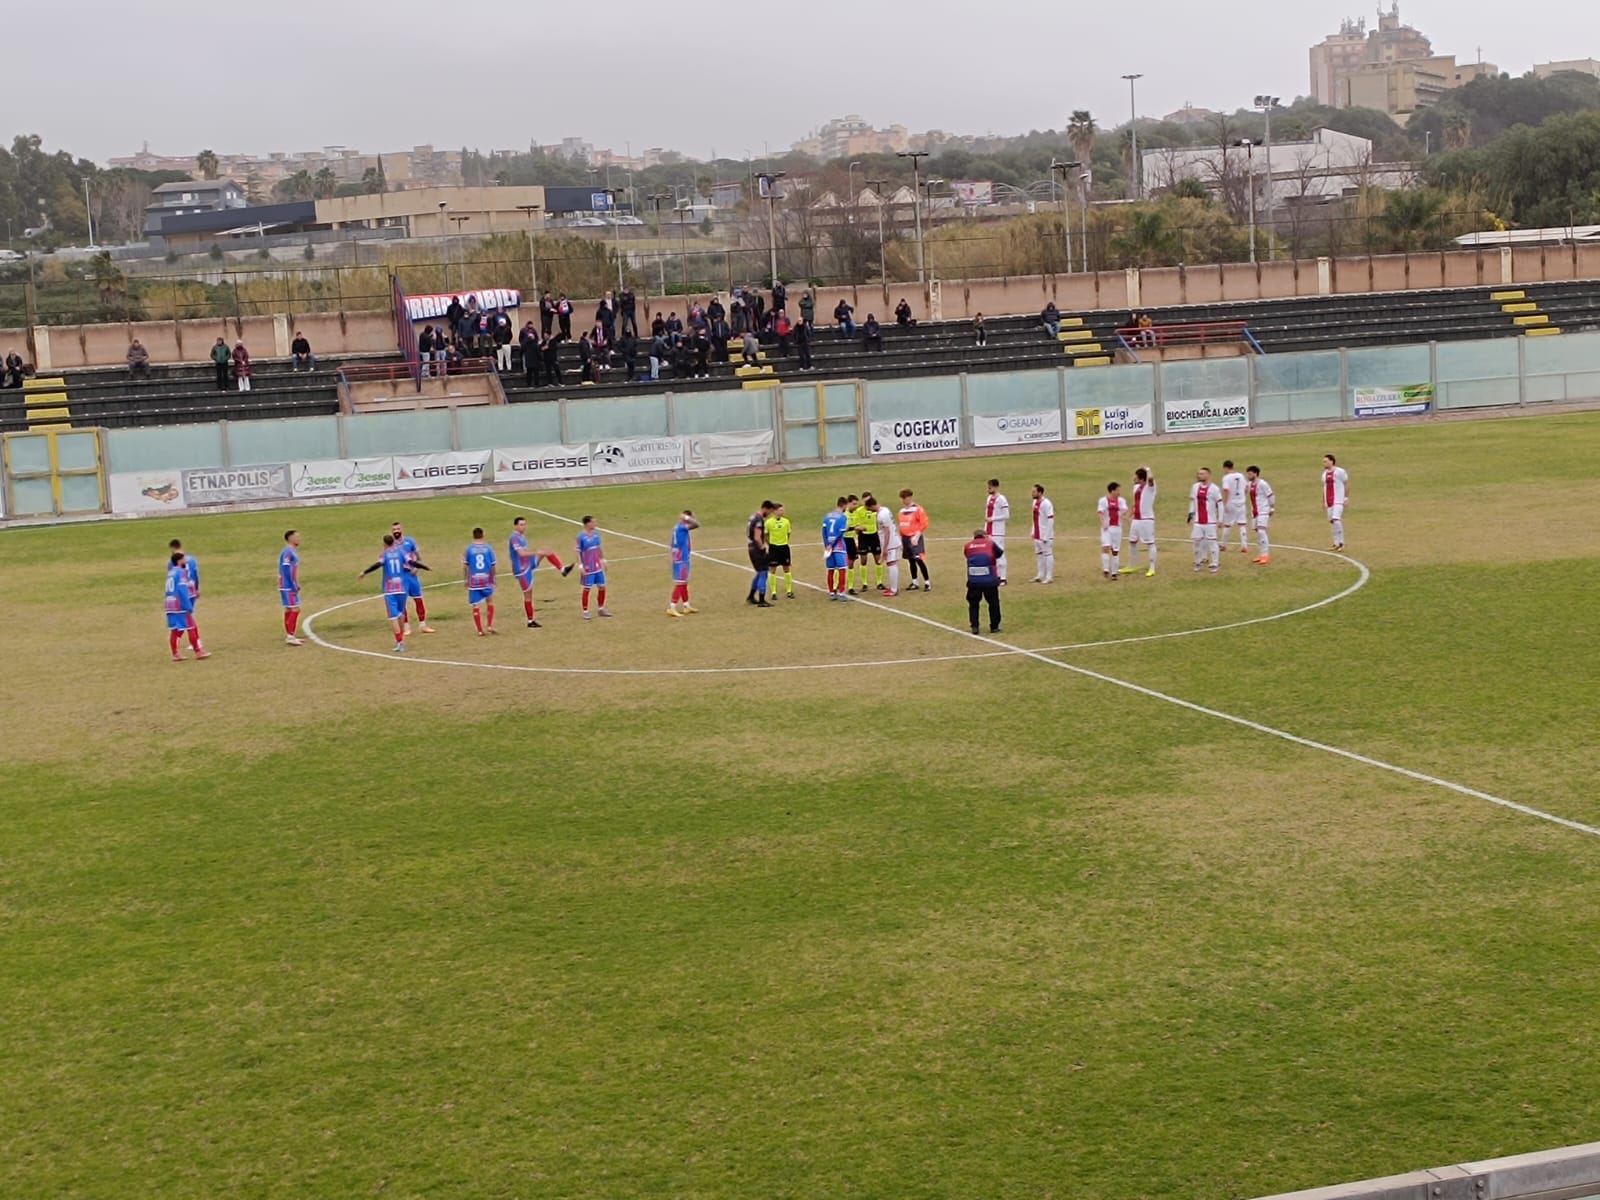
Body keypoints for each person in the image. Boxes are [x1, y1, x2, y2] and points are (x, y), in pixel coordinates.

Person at [359, 532, 427, 652]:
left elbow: (377, 565)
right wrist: (424, 567)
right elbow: (411, 562)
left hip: (390, 589)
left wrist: (364, 572)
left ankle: (399, 642)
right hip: (402, 587)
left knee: (393, 617)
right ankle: (402, 640)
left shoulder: (384, 554)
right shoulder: (401, 552)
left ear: (384, 544)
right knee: (400, 614)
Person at [509, 516, 572, 627]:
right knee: (528, 595)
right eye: (521, 525)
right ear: (515, 526)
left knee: (546, 550)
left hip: (527, 564)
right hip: (522, 570)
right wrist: (535, 552)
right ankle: (530, 621)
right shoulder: (514, 538)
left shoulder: (521, 537)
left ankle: (562, 569)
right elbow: (521, 554)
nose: (523, 527)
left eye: (524, 524)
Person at [390, 520, 435, 633]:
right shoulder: (391, 545)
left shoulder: (410, 541)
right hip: (400, 577)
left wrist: (416, 568)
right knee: (402, 602)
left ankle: (423, 625)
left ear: (402, 530)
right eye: (394, 530)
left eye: (398, 529)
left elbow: (418, 557)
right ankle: (406, 627)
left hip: (411, 575)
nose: (396, 531)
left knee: (418, 599)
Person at [164, 551, 210, 661]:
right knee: (191, 627)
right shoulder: (182, 572)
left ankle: (175, 654)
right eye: (184, 559)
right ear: (179, 561)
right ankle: (198, 652)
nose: (186, 561)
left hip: (170, 604)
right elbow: (182, 589)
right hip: (180, 604)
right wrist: (187, 605)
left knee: (175, 630)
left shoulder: (171, 572)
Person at [962, 529, 1003, 635]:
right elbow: (999, 553)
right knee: (993, 603)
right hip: (989, 579)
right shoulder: (990, 543)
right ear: (985, 535)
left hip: (974, 580)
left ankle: (975, 626)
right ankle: (994, 626)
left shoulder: (968, 545)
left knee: (973, 603)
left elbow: (967, 555)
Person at [462, 528, 499, 636]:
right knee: (490, 601)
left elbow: (465, 566)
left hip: (474, 580)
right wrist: (494, 578)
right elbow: (493, 565)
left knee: (475, 605)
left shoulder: (469, 549)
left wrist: (465, 579)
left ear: (473, 536)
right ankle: (490, 625)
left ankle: (479, 630)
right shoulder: (488, 548)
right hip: (486, 579)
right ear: (483, 535)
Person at [1188, 467, 1223, 574]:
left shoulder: (1214, 489)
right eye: (1198, 474)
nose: (1199, 475)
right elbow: (1193, 501)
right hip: (1198, 521)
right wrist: (1190, 514)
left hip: (1210, 521)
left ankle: (1215, 563)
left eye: (1202, 474)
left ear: (1208, 475)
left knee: (1212, 542)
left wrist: (1220, 519)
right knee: (1196, 542)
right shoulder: (1195, 487)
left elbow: (1220, 504)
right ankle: (1197, 562)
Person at [667, 509, 701, 616]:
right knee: (680, 583)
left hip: (678, 557)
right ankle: (672, 607)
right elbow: (697, 524)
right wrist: (687, 518)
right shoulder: (682, 526)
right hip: (682, 558)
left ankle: (686, 605)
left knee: (684, 583)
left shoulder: (677, 526)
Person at [576, 515, 611, 618]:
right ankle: (585, 611)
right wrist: (580, 566)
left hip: (597, 567)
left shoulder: (596, 535)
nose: (595, 524)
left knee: (602, 586)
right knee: (587, 588)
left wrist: (603, 559)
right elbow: (577, 552)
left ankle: (601, 609)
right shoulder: (580, 537)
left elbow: (598, 548)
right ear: (587, 524)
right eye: (593, 522)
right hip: (588, 567)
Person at [1124, 466, 1157, 576]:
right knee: (1132, 541)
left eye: (1136, 477)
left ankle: (1152, 568)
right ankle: (1131, 565)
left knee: (1150, 543)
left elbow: (1151, 479)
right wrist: (1130, 514)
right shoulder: (1136, 488)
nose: (1134, 478)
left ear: (1142, 479)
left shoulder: (1150, 487)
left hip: (1146, 519)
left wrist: (1148, 469)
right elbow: (1136, 502)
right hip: (1136, 519)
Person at [898, 489, 930, 590]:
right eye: (902, 498)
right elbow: (901, 525)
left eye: (905, 498)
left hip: (914, 538)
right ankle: (914, 582)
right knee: (911, 560)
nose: (903, 500)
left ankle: (927, 582)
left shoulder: (918, 509)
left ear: (909, 497)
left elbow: (924, 522)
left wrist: (917, 535)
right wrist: (901, 539)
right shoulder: (902, 511)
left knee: (919, 559)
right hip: (905, 538)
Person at [762, 501, 794, 600]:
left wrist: (785, 542)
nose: (782, 511)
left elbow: (788, 533)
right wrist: (770, 544)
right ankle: (773, 592)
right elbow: (765, 535)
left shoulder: (786, 521)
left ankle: (789, 591)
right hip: (774, 548)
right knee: (772, 569)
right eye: (780, 510)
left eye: (782, 510)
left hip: (784, 547)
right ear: (775, 511)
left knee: (787, 568)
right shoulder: (768, 522)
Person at [822, 497, 852, 600]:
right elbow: (840, 533)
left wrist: (827, 544)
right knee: (842, 569)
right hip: (838, 547)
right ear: (844, 505)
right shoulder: (842, 517)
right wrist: (833, 544)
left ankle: (831, 593)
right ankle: (841, 593)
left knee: (830, 570)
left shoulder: (827, 516)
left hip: (828, 547)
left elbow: (823, 531)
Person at [1097, 482, 1128, 581]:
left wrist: (1124, 516)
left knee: (1115, 551)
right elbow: (1100, 512)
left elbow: (1124, 511)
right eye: (1118, 490)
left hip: (1117, 528)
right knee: (1105, 547)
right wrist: (1103, 523)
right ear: (1112, 490)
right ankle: (1106, 569)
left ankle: (1114, 573)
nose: (1119, 492)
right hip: (1107, 528)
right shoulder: (1103, 500)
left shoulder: (1121, 501)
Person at [746, 500, 774, 607]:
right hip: (756, 549)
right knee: (763, 572)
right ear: (766, 508)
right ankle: (762, 600)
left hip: (751, 547)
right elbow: (757, 536)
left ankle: (751, 596)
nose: (770, 514)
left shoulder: (752, 516)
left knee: (759, 572)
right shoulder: (758, 519)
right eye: (770, 511)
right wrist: (763, 549)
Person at [853, 493, 883, 591]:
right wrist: (858, 529)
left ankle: (879, 582)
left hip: (874, 535)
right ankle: (864, 584)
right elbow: (856, 526)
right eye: (865, 501)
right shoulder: (859, 511)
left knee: (878, 559)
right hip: (863, 537)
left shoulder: (876, 510)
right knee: (863, 560)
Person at [1246, 465, 1275, 564]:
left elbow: (1270, 495)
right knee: (1258, 534)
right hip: (1254, 512)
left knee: (1261, 532)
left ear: (1255, 473)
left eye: (1250, 474)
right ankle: (1261, 554)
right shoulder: (1249, 484)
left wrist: (1271, 507)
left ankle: (1265, 555)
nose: (1248, 475)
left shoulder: (1263, 484)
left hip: (1263, 511)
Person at [983, 478, 1010, 584]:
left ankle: (1003, 577)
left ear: (996, 487)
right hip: (989, 530)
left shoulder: (1002, 499)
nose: (988, 489)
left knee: (1000, 553)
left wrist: (993, 518)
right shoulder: (989, 498)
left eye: (990, 487)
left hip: (998, 531)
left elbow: (1006, 515)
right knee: (992, 554)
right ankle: (997, 575)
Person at [1220, 460, 1249, 554]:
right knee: (1242, 524)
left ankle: (1223, 545)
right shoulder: (1241, 475)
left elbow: (1226, 491)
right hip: (1241, 502)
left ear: (1225, 467)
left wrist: (1224, 503)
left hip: (1231, 503)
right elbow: (1246, 488)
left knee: (1227, 524)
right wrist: (1242, 496)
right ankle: (1244, 545)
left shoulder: (1226, 477)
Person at [167, 538, 200, 624]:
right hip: (192, 588)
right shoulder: (192, 559)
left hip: (182, 590)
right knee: (188, 615)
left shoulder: (172, 562)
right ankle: (194, 636)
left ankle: (192, 637)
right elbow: (196, 576)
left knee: (184, 616)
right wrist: (196, 589)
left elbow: (173, 578)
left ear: (173, 548)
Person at [279, 529, 303, 645]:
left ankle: (290, 635)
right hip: (287, 585)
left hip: (286, 584)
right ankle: (290, 636)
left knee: (289, 609)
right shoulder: (288, 552)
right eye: (297, 537)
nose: (299, 539)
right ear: (290, 538)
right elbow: (287, 569)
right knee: (295, 609)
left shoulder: (290, 551)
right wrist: (293, 585)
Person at [1323, 453, 1350, 550]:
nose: (1324, 463)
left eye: (1325, 461)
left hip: (1338, 500)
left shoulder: (1340, 471)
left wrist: (1346, 498)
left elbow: (1347, 483)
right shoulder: (1324, 474)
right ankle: (1335, 543)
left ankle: (1342, 543)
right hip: (1329, 501)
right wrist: (1324, 502)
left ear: (1331, 461)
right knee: (1332, 521)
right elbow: (1324, 488)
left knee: (1336, 519)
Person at [1030, 483, 1055, 584]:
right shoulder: (1035, 502)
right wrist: (1032, 530)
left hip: (1045, 534)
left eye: (1034, 492)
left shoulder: (1047, 504)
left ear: (1040, 492)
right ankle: (1040, 575)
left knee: (1048, 554)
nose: (1032, 493)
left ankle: (1049, 576)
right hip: (1037, 533)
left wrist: (1047, 535)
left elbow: (1050, 520)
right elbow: (1035, 518)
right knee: (1039, 555)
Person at [876, 496, 902, 596]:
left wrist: (885, 548)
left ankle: (894, 590)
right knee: (890, 564)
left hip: (891, 542)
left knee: (892, 563)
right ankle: (893, 587)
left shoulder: (881, 515)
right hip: (893, 540)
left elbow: (887, 531)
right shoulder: (885, 509)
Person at [491, 308, 514, 372]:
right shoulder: (496, 329)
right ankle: (500, 368)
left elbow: (510, 336)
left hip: (506, 344)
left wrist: (507, 341)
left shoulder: (508, 329)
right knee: (500, 358)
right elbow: (494, 336)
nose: (501, 323)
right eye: (500, 322)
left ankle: (509, 368)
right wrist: (497, 342)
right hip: (499, 345)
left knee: (508, 357)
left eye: (502, 322)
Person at [519, 322, 542, 387]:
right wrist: (540, 359)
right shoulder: (535, 345)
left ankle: (529, 384)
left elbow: (521, 351)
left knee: (529, 374)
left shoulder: (525, 345)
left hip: (528, 362)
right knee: (536, 374)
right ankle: (536, 384)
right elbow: (538, 353)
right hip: (535, 362)